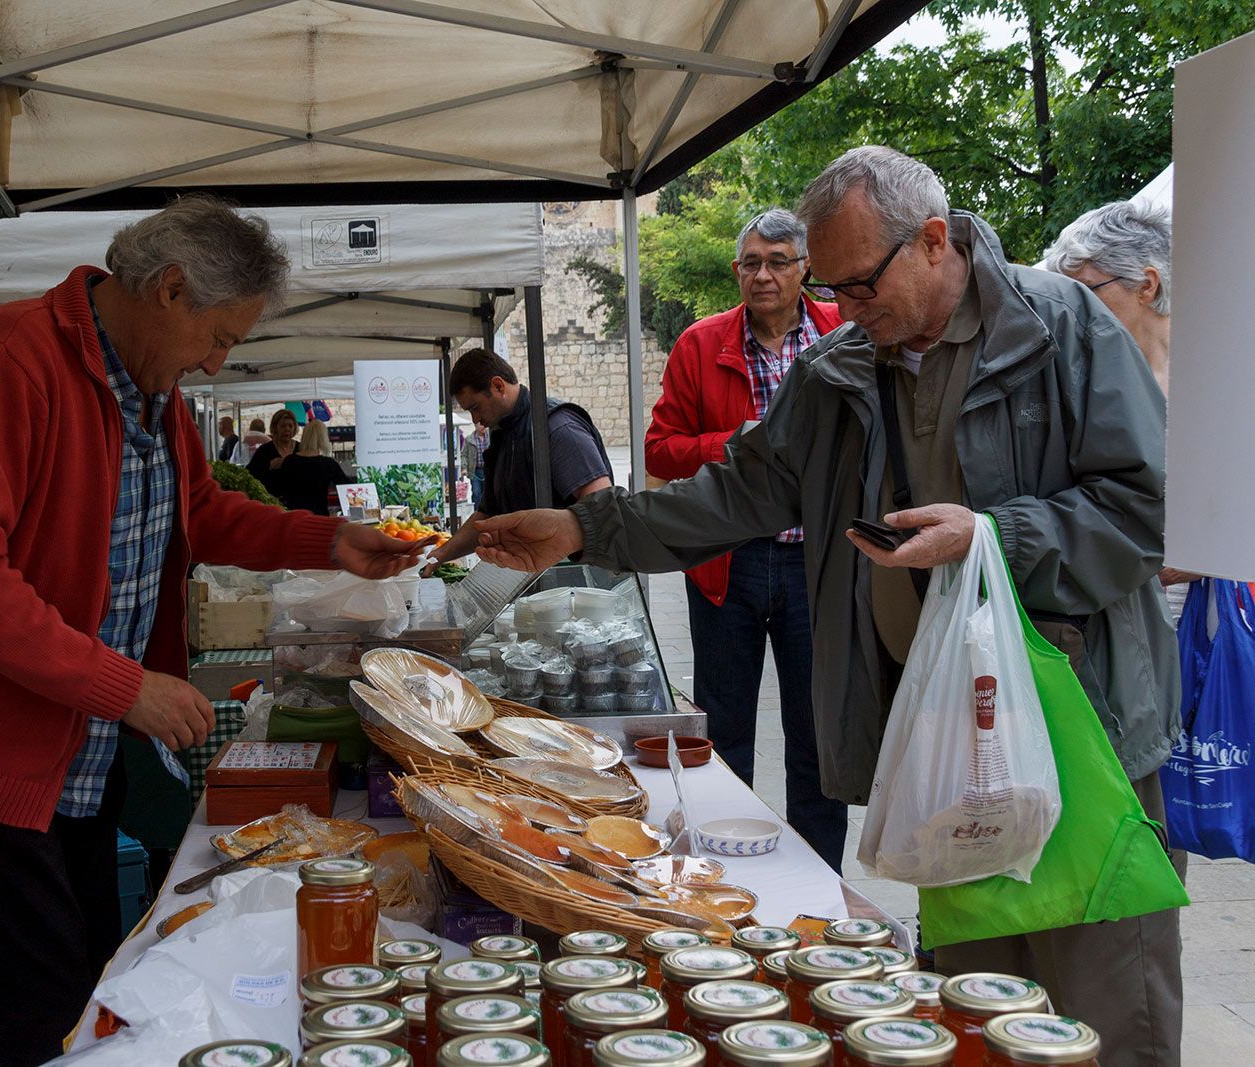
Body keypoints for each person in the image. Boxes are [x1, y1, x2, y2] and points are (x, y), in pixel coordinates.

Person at [472, 147, 1182, 1067]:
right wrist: (583, 527)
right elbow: (735, 494)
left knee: (1104, 1008)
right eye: (832, 287)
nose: (842, 308)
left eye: (858, 283)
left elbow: (1149, 508)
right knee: (981, 1010)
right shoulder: (842, 367)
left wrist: (991, 536)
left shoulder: (1064, 326)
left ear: (934, 240)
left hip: (1080, 728)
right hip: (944, 739)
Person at [0, 196, 428, 1067]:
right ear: (168, 289)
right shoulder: (4, 358)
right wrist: (125, 687)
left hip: (74, 744)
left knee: (99, 984)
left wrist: (327, 540)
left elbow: (198, 509)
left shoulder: (153, 388)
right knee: (42, 1004)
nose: (217, 361)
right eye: (219, 337)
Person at [645, 208, 848, 870]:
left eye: (778, 262)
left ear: (804, 269)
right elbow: (661, 449)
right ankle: (722, 872)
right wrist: (735, 443)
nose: (763, 275)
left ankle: (820, 882)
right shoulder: (700, 344)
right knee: (724, 731)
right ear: (737, 271)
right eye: (751, 263)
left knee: (817, 735)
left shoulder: (843, 334)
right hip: (727, 563)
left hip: (817, 563)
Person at [1044, 202, 1197, 617]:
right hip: (1114, 615)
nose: (1069, 307)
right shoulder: (1073, 379)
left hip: (1209, 622)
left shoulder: (1219, 378)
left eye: (1084, 291)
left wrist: (1209, 556)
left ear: (1147, 286)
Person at [430, 347, 612, 565]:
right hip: (536, 573)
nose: (475, 419)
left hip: (574, 576)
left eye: (475, 407)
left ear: (498, 386)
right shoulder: (503, 436)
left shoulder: (557, 427)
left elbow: (603, 509)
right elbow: (488, 514)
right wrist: (441, 555)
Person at [270, 418, 350, 514]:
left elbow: (277, 490)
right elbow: (347, 487)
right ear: (323, 438)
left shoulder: (289, 461)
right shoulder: (328, 464)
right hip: (319, 516)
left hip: (293, 516)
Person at [246, 407, 298, 496]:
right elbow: (250, 475)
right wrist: (269, 466)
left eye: (290, 426)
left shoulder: (301, 448)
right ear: (275, 428)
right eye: (283, 426)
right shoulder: (264, 450)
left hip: (297, 500)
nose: (287, 429)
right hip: (272, 500)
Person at [461, 422, 489, 506]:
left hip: (488, 470)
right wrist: (464, 468)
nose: (483, 426)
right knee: (476, 493)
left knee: (487, 492)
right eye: (480, 424)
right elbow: (464, 455)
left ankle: (487, 511)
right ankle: (477, 510)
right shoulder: (469, 439)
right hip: (475, 471)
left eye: (484, 424)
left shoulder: (490, 437)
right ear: (475, 425)